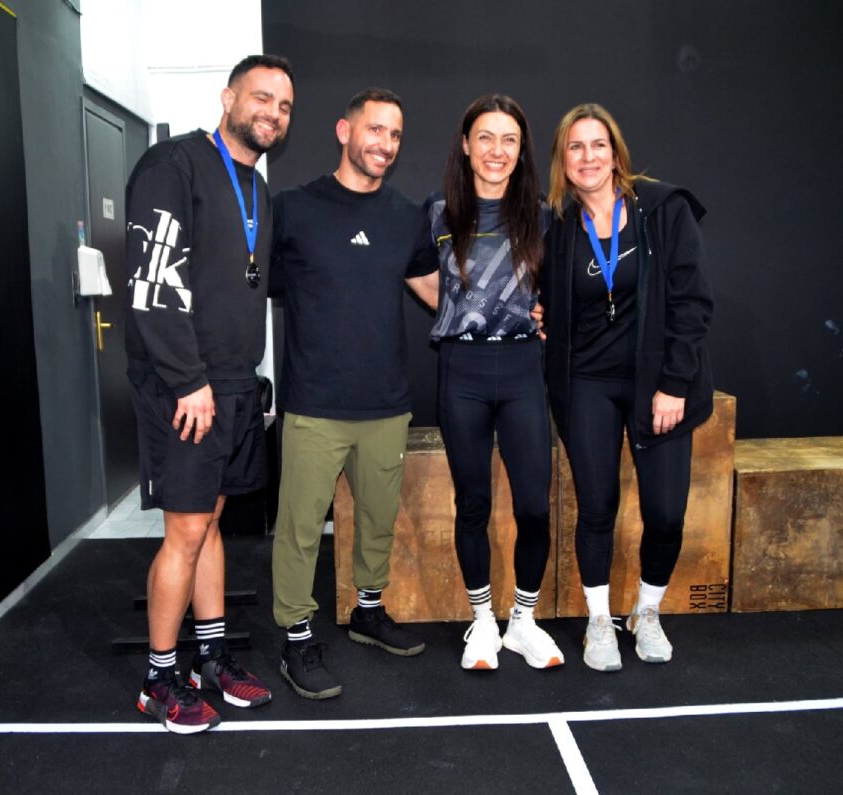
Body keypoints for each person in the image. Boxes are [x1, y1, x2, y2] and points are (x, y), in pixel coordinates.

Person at [124, 54, 294, 733]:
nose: (273, 113)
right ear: (228, 98)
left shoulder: (257, 189)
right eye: (261, 97)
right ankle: (158, 679)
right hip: (184, 385)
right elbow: (154, 282)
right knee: (186, 529)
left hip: (232, 384)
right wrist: (187, 380)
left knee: (212, 523)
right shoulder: (174, 166)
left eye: (284, 105)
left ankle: (211, 659)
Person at [269, 88, 438, 699]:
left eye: (395, 135)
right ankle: (295, 639)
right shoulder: (292, 208)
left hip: (385, 403)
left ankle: (368, 611)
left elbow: (438, 293)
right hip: (314, 404)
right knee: (299, 530)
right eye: (375, 130)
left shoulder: (407, 216)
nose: (385, 144)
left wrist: (514, 315)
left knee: (376, 521)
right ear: (345, 131)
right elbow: (255, 283)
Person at [540, 103, 714, 672]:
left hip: (657, 384)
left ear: (615, 153)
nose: (588, 157)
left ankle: (647, 611)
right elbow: (544, 297)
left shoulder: (663, 210)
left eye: (598, 145)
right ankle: (599, 621)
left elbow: (692, 303)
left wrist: (675, 383)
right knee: (596, 508)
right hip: (587, 383)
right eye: (575, 147)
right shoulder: (557, 226)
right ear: (562, 160)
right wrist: (540, 315)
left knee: (665, 513)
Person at [424, 95, 563, 671]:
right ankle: (482, 620)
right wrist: (456, 309)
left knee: (534, 507)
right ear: (466, 144)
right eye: (485, 137)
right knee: (473, 504)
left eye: (509, 139)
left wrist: (544, 313)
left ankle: (523, 622)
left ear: (521, 149)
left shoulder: (544, 216)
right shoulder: (438, 213)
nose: (496, 150)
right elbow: (416, 274)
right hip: (462, 371)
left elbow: (560, 290)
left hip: (523, 369)